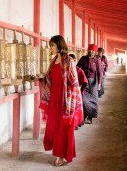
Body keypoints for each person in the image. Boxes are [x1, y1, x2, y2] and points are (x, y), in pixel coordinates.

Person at [39, 35, 84, 166]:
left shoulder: (69, 61)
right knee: (52, 126)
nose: (51, 48)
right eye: (50, 46)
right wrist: (41, 78)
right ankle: (58, 152)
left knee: (62, 128)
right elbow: (50, 79)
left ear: (59, 45)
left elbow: (74, 82)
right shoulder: (53, 61)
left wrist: (70, 99)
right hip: (53, 98)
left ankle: (61, 156)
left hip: (65, 99)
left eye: (52, 45)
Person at [77, 44, 102, 124]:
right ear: (87, 51)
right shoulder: (83, 59)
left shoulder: (97, 60)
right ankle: (84, 116)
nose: (91, 52)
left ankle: (90, 117)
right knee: (83, 99)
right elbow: (77, 68)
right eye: (89, 50)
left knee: (94, 100)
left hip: (93, 82)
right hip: (84, 82)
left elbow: (99, 73)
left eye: (92, 51)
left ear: (95, 52)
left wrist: (99, 84)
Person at [69, 53, 88, 130]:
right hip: (68, 93)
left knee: (76, 109)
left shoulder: (79, 71)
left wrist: (80, 91)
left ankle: (76, 124)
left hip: (77, 94)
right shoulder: (66, 70)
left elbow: (85, 82)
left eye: (73, 61)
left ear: (75, 61)